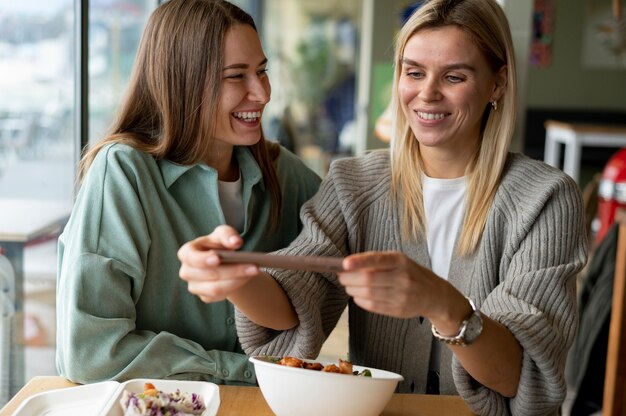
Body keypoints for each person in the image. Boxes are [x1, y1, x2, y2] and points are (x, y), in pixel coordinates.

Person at [178, 0, 588, 413]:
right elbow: (296, 299)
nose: (426, 93)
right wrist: (236, 277)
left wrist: (442, 303)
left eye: (454, 76)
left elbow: (524, 376)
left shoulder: (545, 199)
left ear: (497, 84)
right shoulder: (355, 184)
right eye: (413, 73)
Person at [55, 0, 321, 385]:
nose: (262, 93)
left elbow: (354, 231)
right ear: (184, 81)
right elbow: (90, 354)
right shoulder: (123, 171)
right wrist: (245, 371)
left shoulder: (284, 173)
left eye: (262, 71)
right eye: (237, 76)